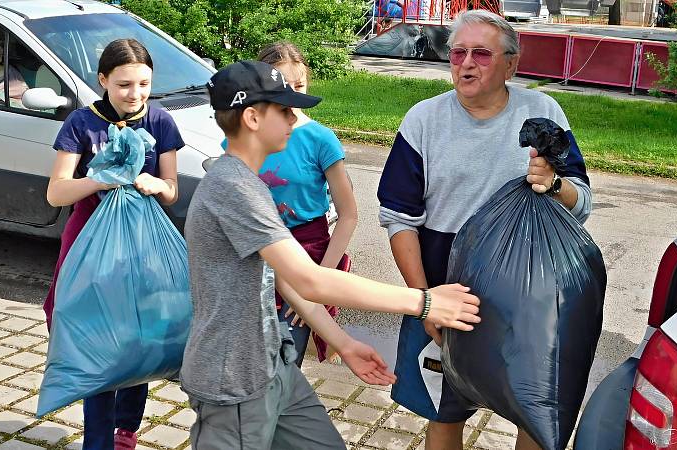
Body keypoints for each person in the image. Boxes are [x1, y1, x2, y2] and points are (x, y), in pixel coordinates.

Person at [181, 60, 481, 450]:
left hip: (273, 362)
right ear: (253, 118)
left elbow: (285, 279)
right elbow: (312, 280)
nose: (295, 118)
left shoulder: (249, 184)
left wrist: (343, 342)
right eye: (284, 110)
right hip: (234, 379)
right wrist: (424, 302)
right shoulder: (233, 188)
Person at [377, 10, 593, 450]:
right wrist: (425, 304)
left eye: (481, 53)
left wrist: (554, 186)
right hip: (447, 290)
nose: (466, 63)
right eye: (458, 53)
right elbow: (399, 219)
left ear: (511, 64)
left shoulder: (543, 112)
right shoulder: (424, 120)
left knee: (533, 412)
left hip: (528, 297)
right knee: (445, 412)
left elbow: (582, 203)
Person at [44, 38, 184, 450]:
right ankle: (98, 440)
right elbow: (56, 193)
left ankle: (127, 427)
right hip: (90, 241)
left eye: (144, 83)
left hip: (143, 243)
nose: (135, 94)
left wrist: (158, 183)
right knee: (96, 337)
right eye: (124, 85)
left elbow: (172, 190)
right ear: (103, 80)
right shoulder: (80, 124)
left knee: (141, 336)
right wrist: (99, 179)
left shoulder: (160, 123)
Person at [251, 41, 357, 367]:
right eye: (284, 87)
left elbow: (349, 215)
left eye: (300, 85)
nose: (294, 95)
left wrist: (319, 282)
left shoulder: (320, 139)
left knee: (286, 366)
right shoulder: (243, 137)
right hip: (253, 258)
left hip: (306, 257)